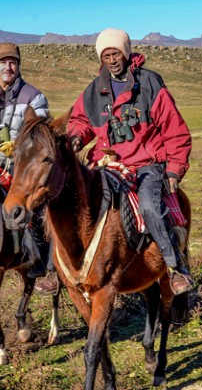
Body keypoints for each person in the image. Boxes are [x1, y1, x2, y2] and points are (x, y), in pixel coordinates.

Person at [67, 28, 194, 295]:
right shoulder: (93, 91)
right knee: (70, 204)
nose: (112, 60)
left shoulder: (149, 84)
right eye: (106, 55)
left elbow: (175, 129)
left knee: (149, 206)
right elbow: (80, 122)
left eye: (116, 53)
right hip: (105, 164)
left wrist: (174, 170)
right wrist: (76, 138)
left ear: (126, 53)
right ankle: (61, 272)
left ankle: (175, 267)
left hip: (144, 165)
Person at [0, 42, 57, 294]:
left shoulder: (34, 97)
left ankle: (44, 268)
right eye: (3, 62)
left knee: (37, 213)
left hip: (20, 173)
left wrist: (16, 150)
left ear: (18, 66)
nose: (8, 66)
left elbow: (40, 139)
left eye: (13, 62)